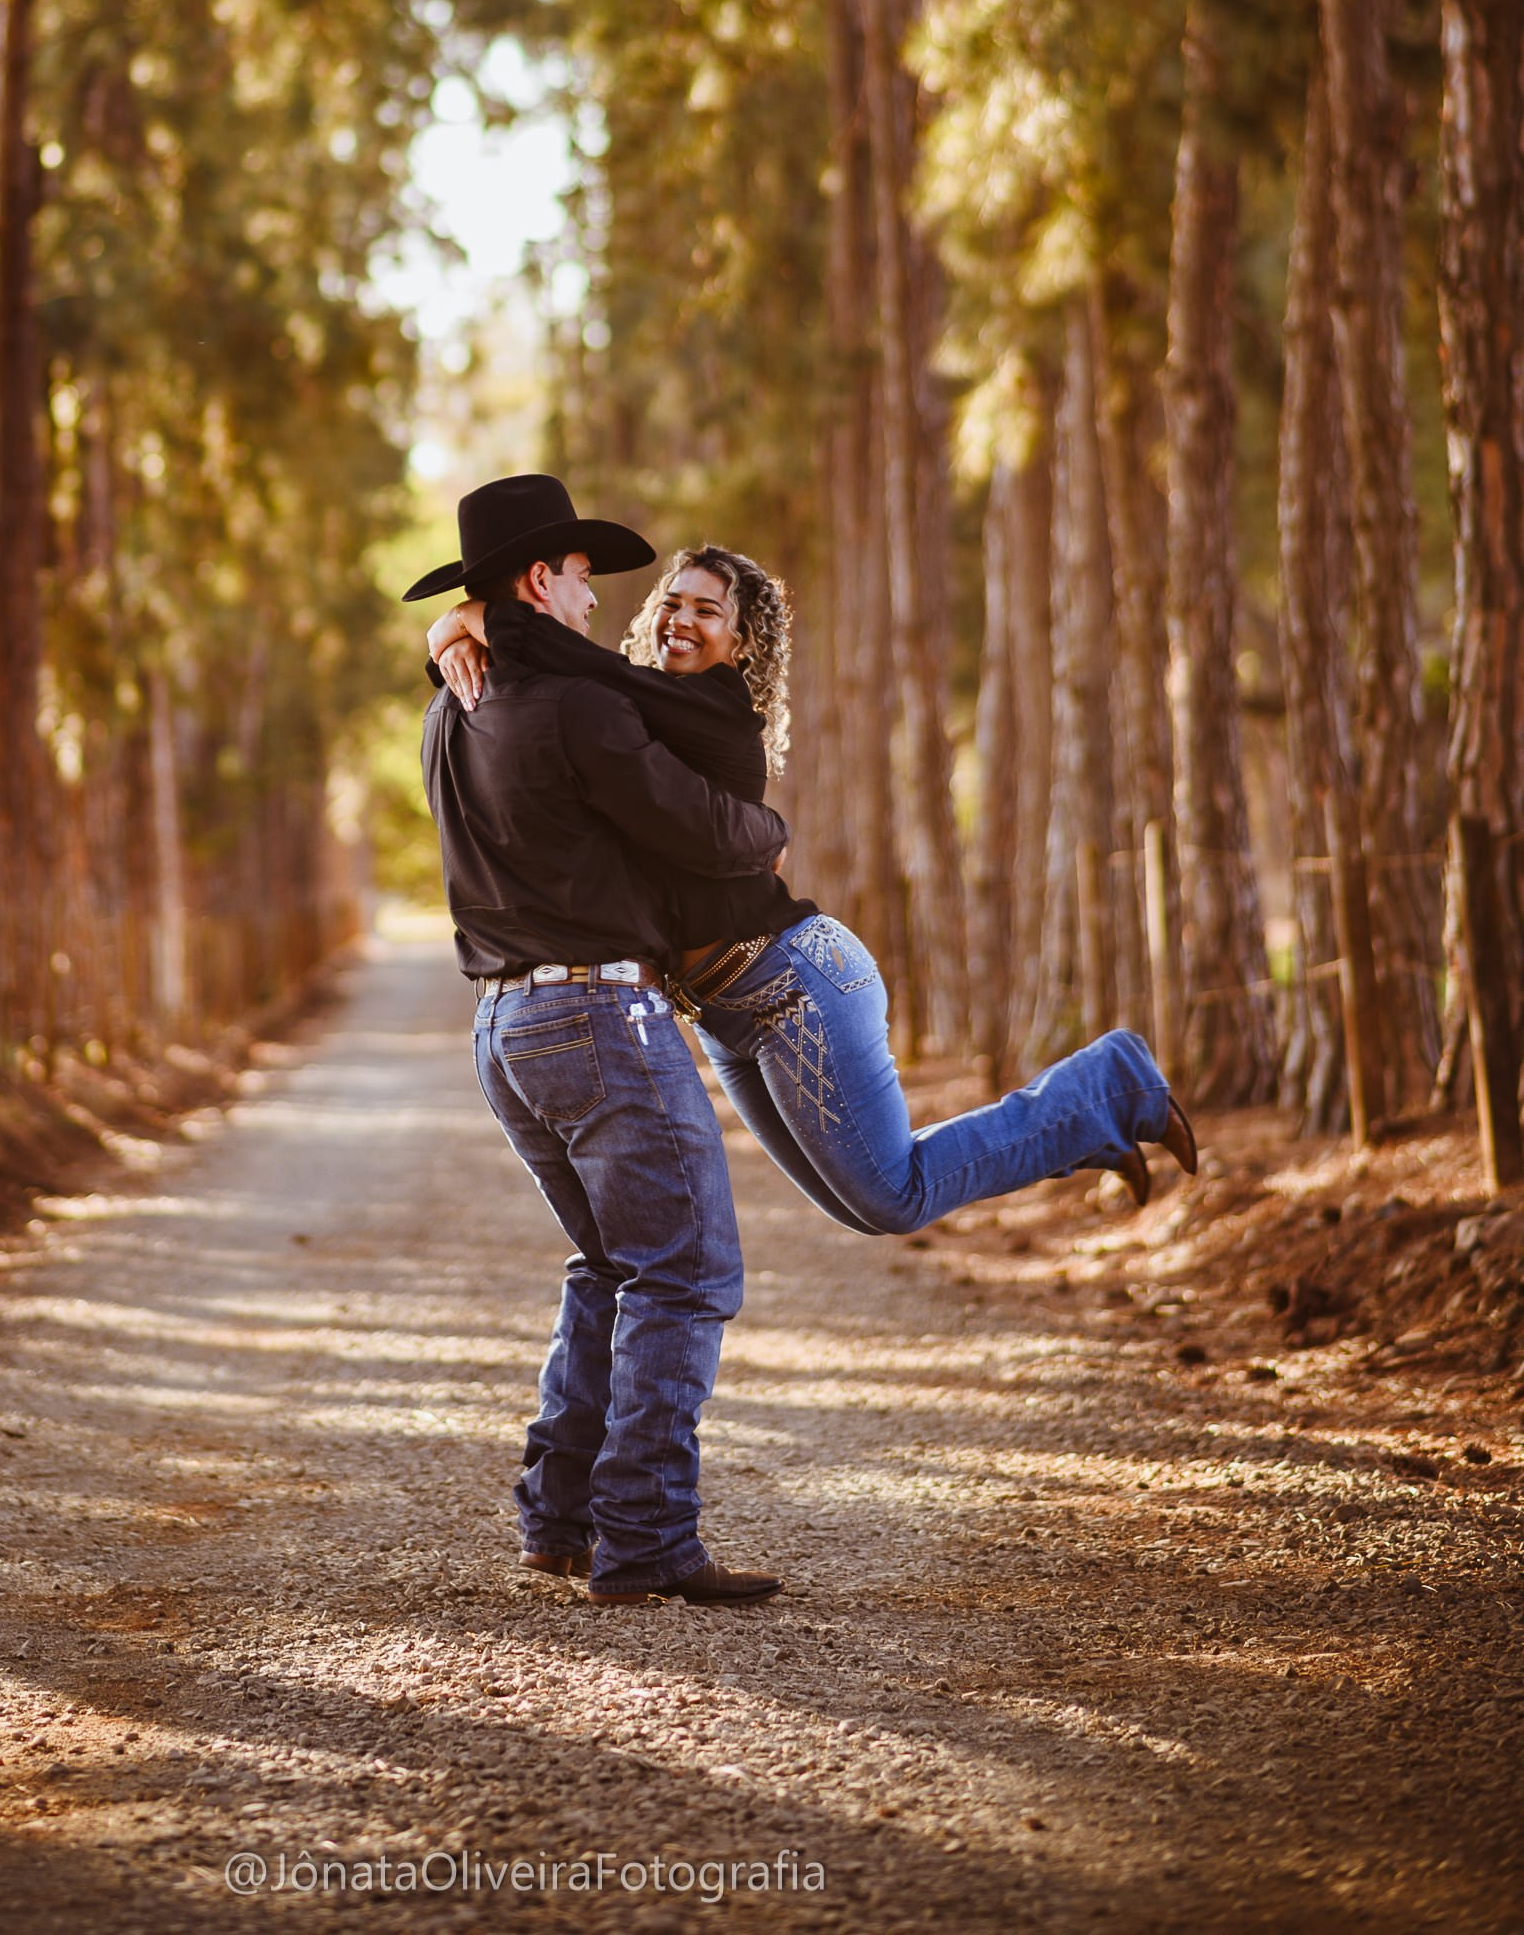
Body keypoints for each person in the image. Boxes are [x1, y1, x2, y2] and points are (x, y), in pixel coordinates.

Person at [427, 541, 1196, 1242]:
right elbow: (550, 694)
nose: (681, 621)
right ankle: (1083, 1130)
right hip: (724, 1012)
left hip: (793, 983)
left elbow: (571, 663)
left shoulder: (715, 708)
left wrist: (470, 618)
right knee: (859, 1206)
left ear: (741, 643)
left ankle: (1109, 1082)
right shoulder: (636, 704)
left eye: (707, 611)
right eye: (671, 602)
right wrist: (451, 643)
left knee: (892, 1198)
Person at [406, 474, 788, 1606]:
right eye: (580, 576)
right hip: (597, 1015)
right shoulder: (579, 705)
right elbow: (704, 831)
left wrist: (453, 632)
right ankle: (647, 1536)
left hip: (503, 1028)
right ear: (539, 579)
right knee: (685, 1272)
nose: (592, 597)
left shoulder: (446, 710)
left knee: (613, 1266)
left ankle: (561, 1518)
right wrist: (768, 832)